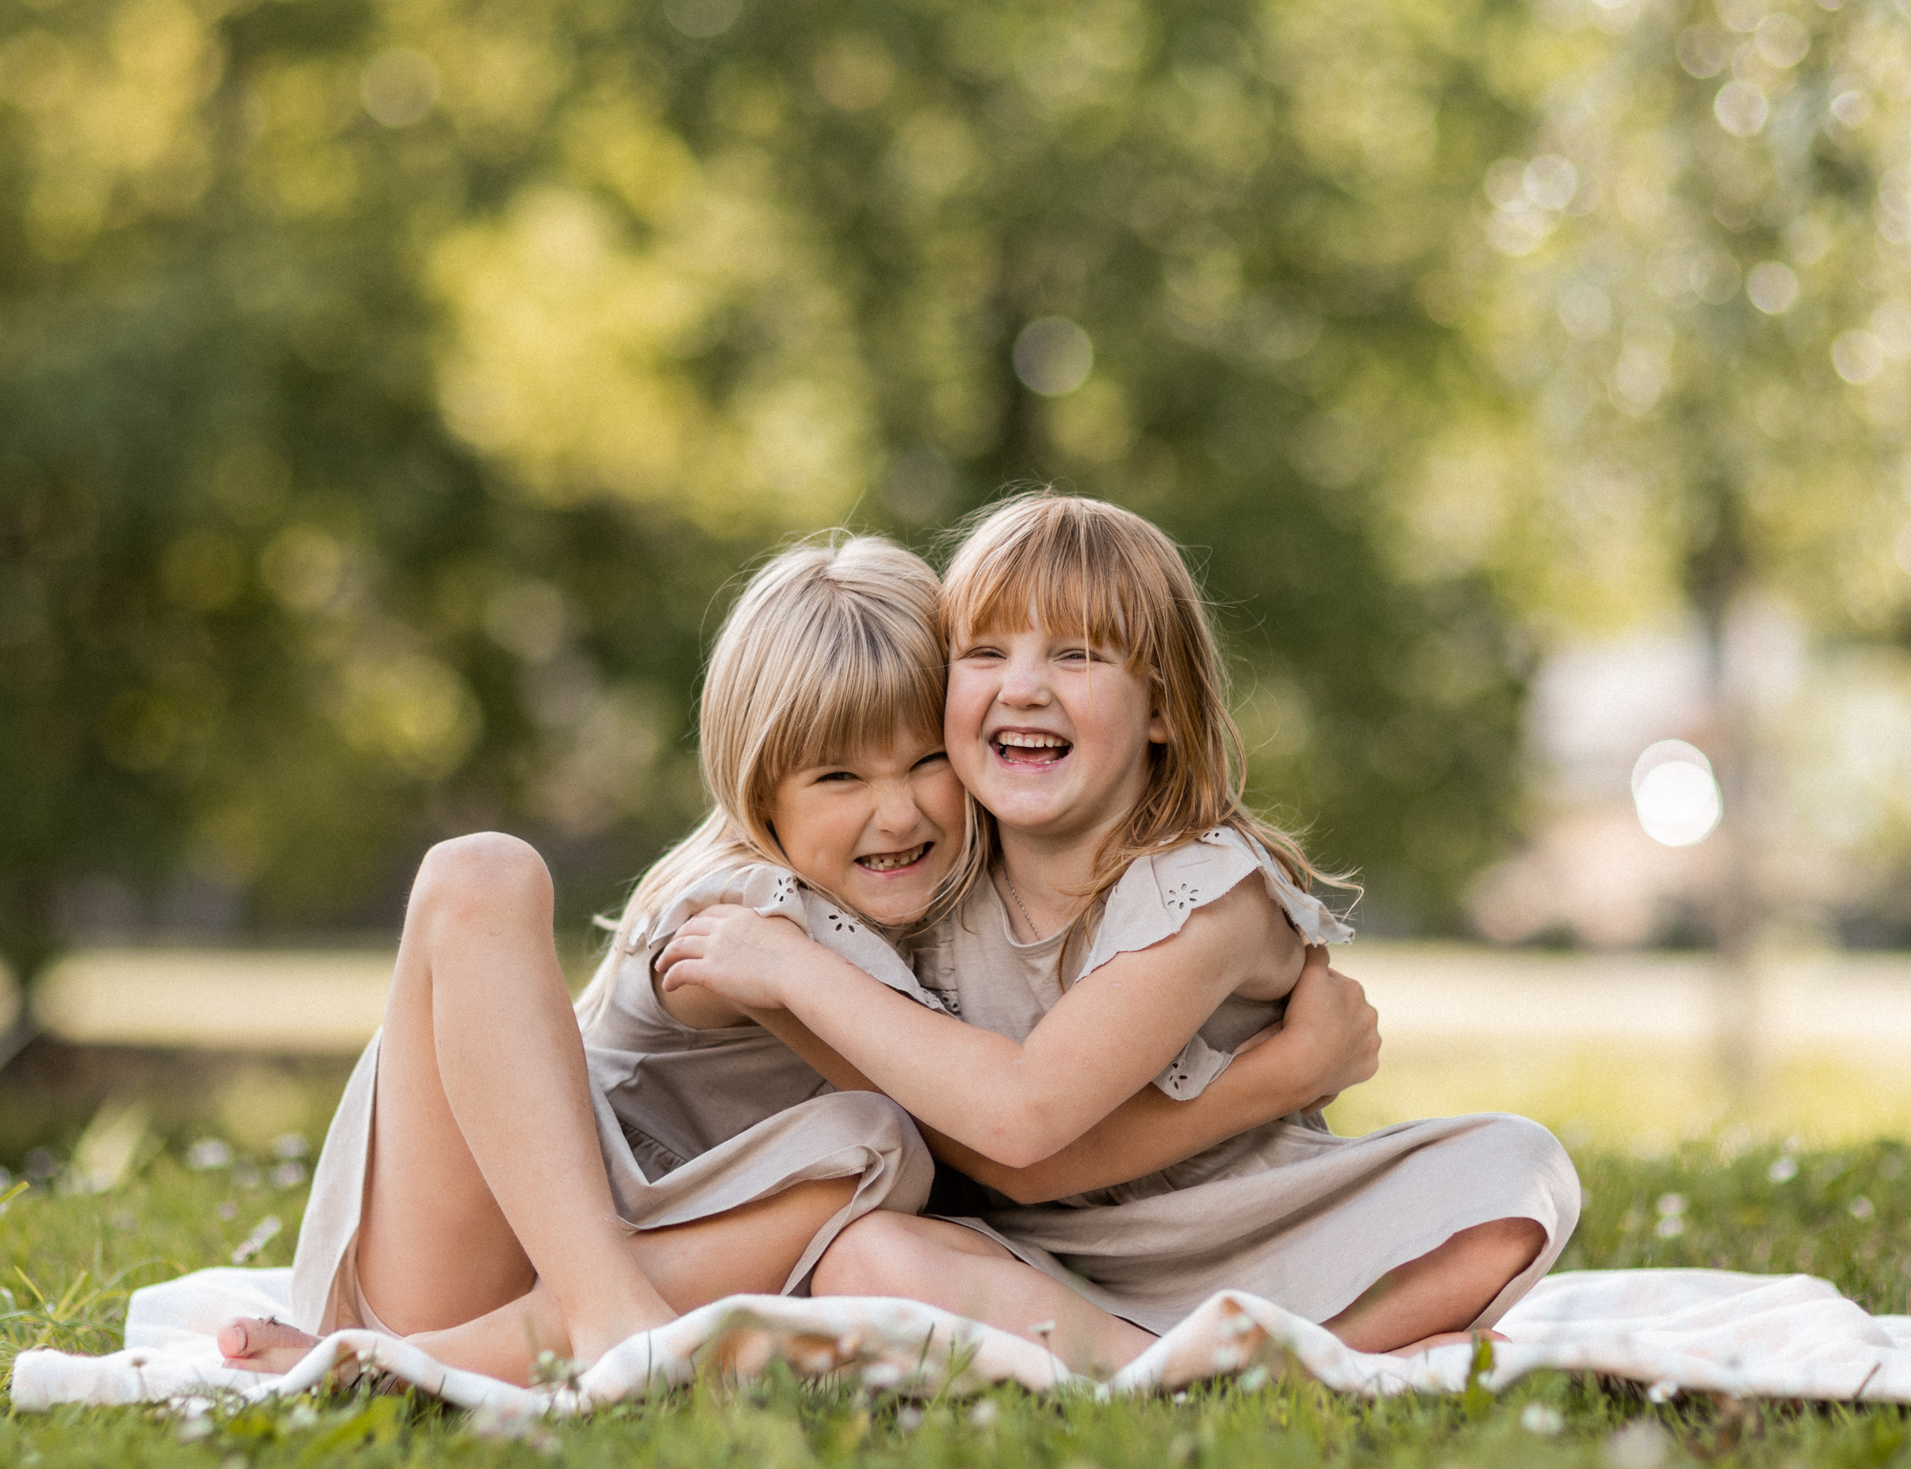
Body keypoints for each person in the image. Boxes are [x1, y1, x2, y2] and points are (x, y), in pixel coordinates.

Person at [221, 534, 1368, 1383]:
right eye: (836, 778)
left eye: (925, 758)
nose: (897, 813)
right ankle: (526, 1330)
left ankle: (480, 1343)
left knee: (875, 1152)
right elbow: (1005, 1136)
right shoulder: (750, 916)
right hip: (469, 1253)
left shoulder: (952, 923)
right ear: (753, 790)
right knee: (482, 871)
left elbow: (1016, 1138)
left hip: (584, 1284)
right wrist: (1274, 1075)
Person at [657, 496, 1581, 1375]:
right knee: (866, 1258)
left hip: (1247, 1221)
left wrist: (789, 968)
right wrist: (1287, 1071)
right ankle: (1211, 1371)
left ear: (1164, 711)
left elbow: (1023, 1123)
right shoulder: (930, 876)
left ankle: (1321, 1347)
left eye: (1076, 655)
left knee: (1515, 1168)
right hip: (1045, 1249)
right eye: (984, 651)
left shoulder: (1204, 892)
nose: (1023, 686)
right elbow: (992, 1158)